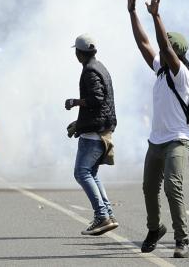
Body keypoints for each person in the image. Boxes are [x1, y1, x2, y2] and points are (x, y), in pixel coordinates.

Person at [126, 0, 189, 258]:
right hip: (156, 140)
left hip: (178, 139)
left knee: (171, 186)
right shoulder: (161, 69)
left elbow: (162, 45)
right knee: (148, 188)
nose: (161, 53)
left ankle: (183, 240)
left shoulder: (180, 74)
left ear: (175, 53)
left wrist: (156, 16)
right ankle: (155, 229)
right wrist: (132, 14)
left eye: (168, 49)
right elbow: (145, 44)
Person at [65, 34, 118, 236]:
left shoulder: (89, 71)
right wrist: (80, 122)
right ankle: (108, 215)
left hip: (95, 131)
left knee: (82, 172)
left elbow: (97, 98)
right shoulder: (100, 66)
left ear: (79, 53)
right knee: (91, 173)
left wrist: (74, 102)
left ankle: (102, 216)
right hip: (98, 126)